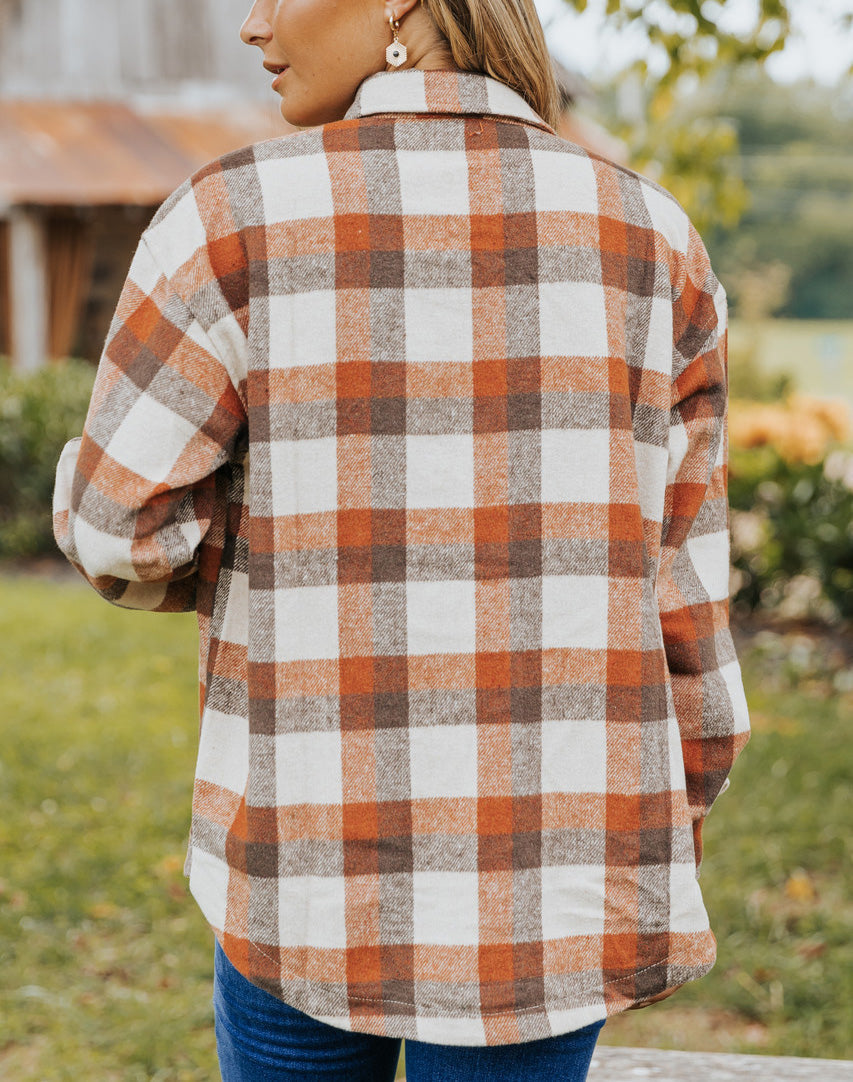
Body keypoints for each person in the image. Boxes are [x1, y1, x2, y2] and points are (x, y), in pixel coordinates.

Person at [53, 0, 751, 1079]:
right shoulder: (653, 241)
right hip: (555, 879)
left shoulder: (229, 217)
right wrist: (669, 808)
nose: (250, 23)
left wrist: (283, 540)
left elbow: (116, 529)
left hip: (306, 870)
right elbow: (684, 596)